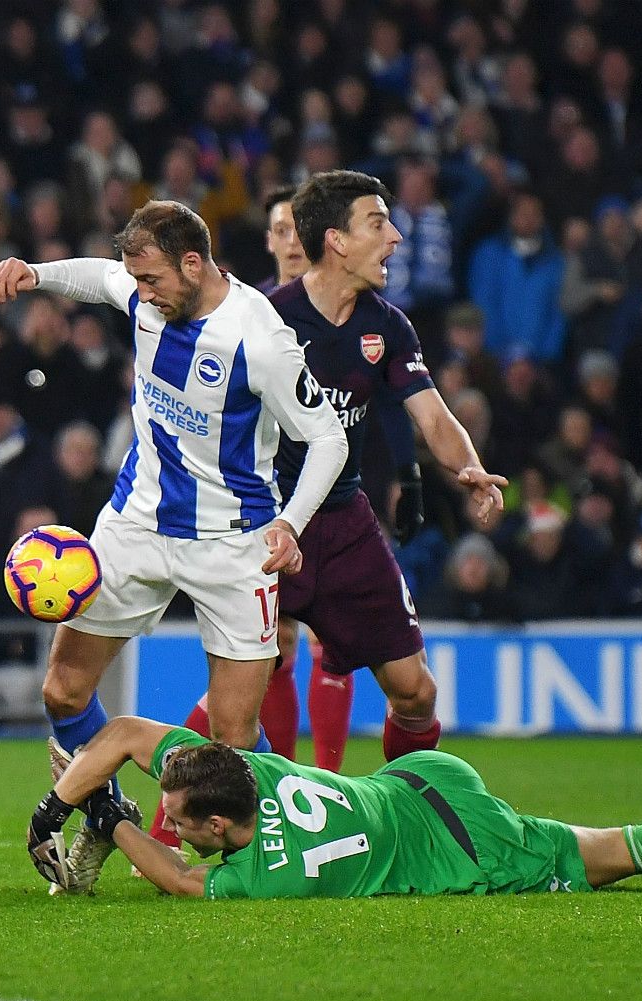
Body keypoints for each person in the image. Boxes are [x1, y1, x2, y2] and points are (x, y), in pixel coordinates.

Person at [0, 201, 348, 891]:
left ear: (194, 263)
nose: (141, 295)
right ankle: (102, 813)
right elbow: (100, 278)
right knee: (63, 692)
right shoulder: (149, 297)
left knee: (237, 741)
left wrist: (291, 524)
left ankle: (279, 855)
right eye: (137, 281)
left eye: (151, 280)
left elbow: (329, 438)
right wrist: (34, 273)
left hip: (234, 544)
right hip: (137, 526)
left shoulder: (260, 339)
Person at [159, 171, 504, 854]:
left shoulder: (387, 325)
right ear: (337, 241)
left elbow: (432, 415)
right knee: (236, 708)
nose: (396, 235)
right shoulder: (264, 317)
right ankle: (171, 830)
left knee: (414, 692)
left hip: (345, 526)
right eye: (379, 223)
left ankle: (418, 822)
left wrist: (464, 466)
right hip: (260, 525)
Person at [28, 714, 642, 900]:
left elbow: (181, 883)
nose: (172, 825)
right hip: (422, 776)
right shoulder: (245, 771)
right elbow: (133, 733)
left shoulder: (265, 875)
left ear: (218, 827)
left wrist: (106, 817)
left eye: (178, 818)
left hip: (466, 846)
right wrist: (65, 807)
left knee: (625, 850)